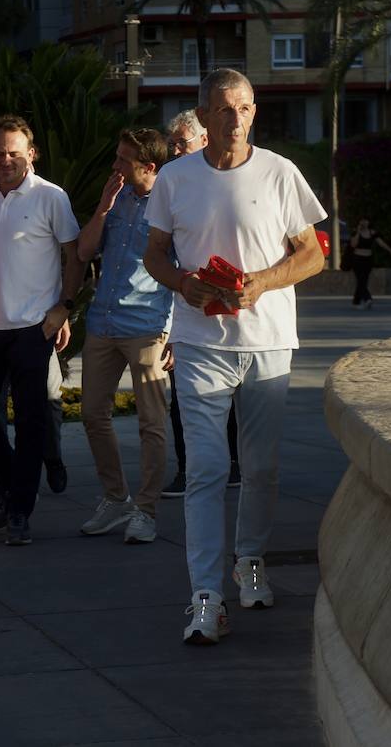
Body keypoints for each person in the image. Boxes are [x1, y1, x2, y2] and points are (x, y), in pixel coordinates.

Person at [144, 68, 325, 645]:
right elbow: (155, 255)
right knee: (206, 471)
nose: (236, 120)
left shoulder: (280, 172)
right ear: (203, 114)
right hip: (200, 345)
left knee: (262, 467)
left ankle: (250, 562)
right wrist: (183, 284)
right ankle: (205, 596)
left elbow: (315, 254)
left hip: (269, 342)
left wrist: (264, 282)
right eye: (224, 110)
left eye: (245, 108)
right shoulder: (175, 178)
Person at [0, 115, 82, 546]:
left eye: (13, 151)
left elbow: (74, 256)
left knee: (31, 420)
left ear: (31, 153)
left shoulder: (52, 197)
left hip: (31, 326)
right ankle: (14, 486)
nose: (5, 159)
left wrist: (63, 309)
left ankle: (20, 510)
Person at [75, 128, 173, 545]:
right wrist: (102, 207)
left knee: (152, 423)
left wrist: (174, 332)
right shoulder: (116, 201)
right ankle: (115, 499)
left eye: (122, 160)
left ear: (148, 167)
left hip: (149, 327)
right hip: (103, 321)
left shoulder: (171, 206)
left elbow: (183, 269)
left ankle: (146, 511)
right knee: (92, 414)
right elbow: (83, 252)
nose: (115, 166)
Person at [160, 111, 239, 498]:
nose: (173, 149)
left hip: (233, 311)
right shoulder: (172, 184)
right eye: (171, 142)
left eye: (181, 142)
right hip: (183, 310)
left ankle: (235, 465)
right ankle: (189, 468)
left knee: (234, 401)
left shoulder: (228, 182)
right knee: (184, 403)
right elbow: (157, 256)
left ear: (204, 140)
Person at [349, 217, 391, 309]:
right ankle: (368, 299)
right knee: (360, 280)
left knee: (364, 280)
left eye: (366, 221)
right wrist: (358, 232)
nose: (364, 223)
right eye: (362, 221)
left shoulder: (372, 233)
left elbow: (381, 243)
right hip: (357, 259)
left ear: (369, 222)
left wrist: (390, 251)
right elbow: (353, 244)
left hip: (368, 259)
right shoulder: (355, 232)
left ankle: (356, 301)